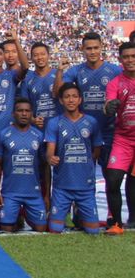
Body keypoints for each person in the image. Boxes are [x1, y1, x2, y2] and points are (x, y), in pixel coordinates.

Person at [55, 32, 120, 171]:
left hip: (109, 130)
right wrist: (60, 71)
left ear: (101, 47)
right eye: (89, 48)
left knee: (111, 176)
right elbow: (58, 92)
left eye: (96, 48)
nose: (92, 51)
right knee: (83, 173)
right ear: (82, 49)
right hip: (84, 130)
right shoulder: (76, 71)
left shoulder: (114, 70)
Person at [45, 83, 102, 235]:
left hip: (85, 186)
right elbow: (50, 149)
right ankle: (67, 212)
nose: (71, 100)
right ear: (61, 101)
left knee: (93, 231)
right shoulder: (54, 123)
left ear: (80, 100)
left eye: (74, 96)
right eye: (67, 97)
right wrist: (51, 157)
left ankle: (79, 212)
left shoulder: (91, 122)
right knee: (55, 230)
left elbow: (96, 149)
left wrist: (87, 162)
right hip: (62, 186)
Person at [0, 98, 49, 232]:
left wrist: (47, 195)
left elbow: (45, 166)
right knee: (6, 228)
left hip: (33, 193)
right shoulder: (3, 134)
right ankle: (15, 213)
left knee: (42, 228)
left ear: (32, 114)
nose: (24, 114)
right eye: (20, 111)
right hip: (11, 193)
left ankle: (25, 214)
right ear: (13, 114)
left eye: (27, 111)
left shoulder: (39, 136)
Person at [102, 41, 135, 234]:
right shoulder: (116, 82)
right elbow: (107, 106)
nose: (130, 60)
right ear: (120, 59)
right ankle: (116, 223)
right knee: (113, 179)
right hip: (122, 139)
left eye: (133, 56)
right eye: (126, 57)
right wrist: (110, 107)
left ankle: (133, 219)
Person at [20, 42, 61, 129]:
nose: (40, 58)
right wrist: (32, 120)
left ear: (48, 55)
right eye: (36, 55)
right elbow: (24, 106)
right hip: (38, 129)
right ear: (31, 58)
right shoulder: (27, 80)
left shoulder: (59, 75)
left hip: (58, 127)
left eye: (43, 54)